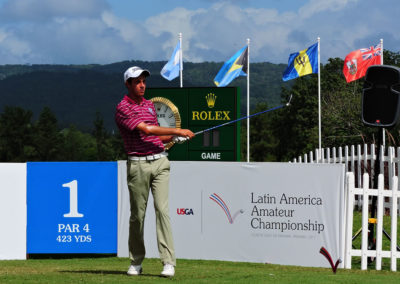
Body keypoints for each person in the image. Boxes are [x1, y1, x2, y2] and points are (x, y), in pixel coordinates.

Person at [115, 66, 194, 277]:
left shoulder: (150, 105)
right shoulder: (123, 107)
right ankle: (136, 261)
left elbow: (155, 137)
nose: (142, 85)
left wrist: (174, 138)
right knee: (137, 216)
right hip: (138, 165)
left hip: (160, 162)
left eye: (144, 81)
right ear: (128, 84)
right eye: (137, 81)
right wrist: (177, 130)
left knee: (162, 211)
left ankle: (168, 262)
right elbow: (147, 130)